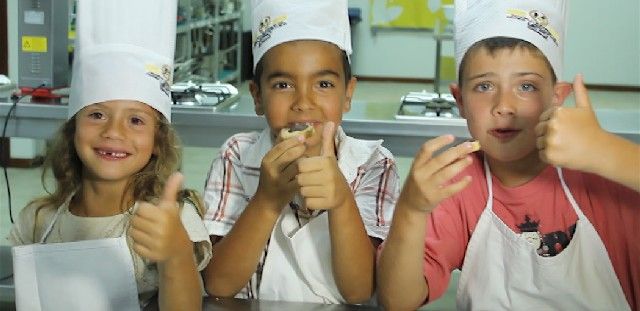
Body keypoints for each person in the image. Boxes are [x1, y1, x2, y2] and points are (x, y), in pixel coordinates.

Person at [377, 0, 640, 310]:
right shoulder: (457, 186)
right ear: (459, 100)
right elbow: (397, 300)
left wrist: (608, 152)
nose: (504, 105)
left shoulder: (599, 175)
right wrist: (411, 209)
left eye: (526, 86)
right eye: (484, 85)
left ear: (557, 97)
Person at [9, 1, 211, 310]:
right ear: (72, 126)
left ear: (158, 141)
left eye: (135, 120)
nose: (114, 132)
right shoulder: (37, 220)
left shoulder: (172, 220)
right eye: (97, 115)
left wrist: (175, 253)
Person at [201, 0, 399, 304]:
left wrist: (341, 200)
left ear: (347, 94)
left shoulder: (373, 165)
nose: (303, 102)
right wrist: (267, 201)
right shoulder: (236, 156)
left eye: (323, 83)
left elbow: (359, 291)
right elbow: (218, 284)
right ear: (257, 96)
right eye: (282, 84)